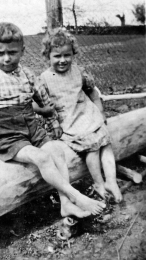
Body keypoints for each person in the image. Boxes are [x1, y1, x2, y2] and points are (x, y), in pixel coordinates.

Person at [0, 22, 106, 218]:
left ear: (22, 51)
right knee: (42, 157)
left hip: (32, 130)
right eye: (0, 53)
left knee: (57, 152)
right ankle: (75, 195)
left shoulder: (27, 74)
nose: (7, 58)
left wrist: (52, 122)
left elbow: (44, 99)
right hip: (9, 137)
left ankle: (65, 204)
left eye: (13, 52)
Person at [36, 28, 122, 203]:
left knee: (105, 143)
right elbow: (34, 103)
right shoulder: (44, 78)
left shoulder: (77, 71)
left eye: (67, 55)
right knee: (92, 146)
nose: (62, 60)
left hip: (86, 114)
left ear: (73, 54)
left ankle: (111, 181)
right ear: (48, 56)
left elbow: (93, 92)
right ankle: (98, 182)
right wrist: (44, 111)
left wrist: (100, 111)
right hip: (68, 120)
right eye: (57, 56)